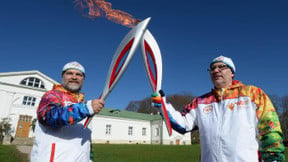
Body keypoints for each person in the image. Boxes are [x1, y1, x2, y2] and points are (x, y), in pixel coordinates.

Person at [152, 56, 285, 162]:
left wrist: (274, 158)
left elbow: (270, 129)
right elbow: (182, 125)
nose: (216, 70)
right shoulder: (200, 102)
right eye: (212, 68)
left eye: (221, 67)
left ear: (232, 72)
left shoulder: (253, 94)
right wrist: (162, 105)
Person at [30, 61, 105, 162]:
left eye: (79, 74)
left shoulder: (83, 103)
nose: (74, 77)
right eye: (69, 73)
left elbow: (85, 139)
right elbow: (49, 117)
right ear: (62, 77)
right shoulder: (52, 95)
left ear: (83, 79)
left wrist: (89, 158)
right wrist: (86, 108)